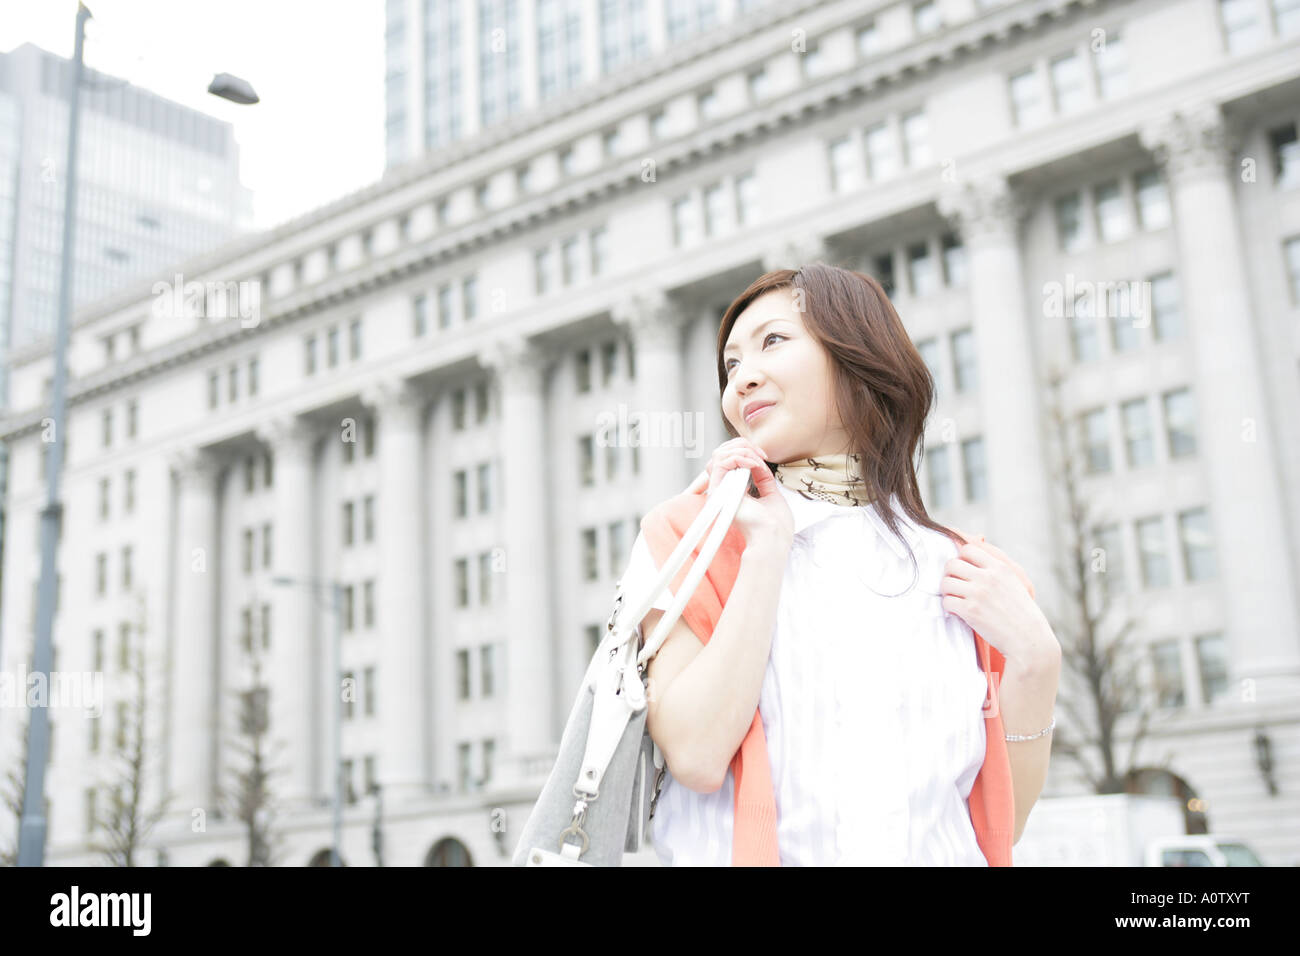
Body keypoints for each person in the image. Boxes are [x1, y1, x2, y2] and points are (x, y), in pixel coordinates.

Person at [617, 263, 1061, 866]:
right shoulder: (691, 538)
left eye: (772, 341)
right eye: (731, 365)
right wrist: (767, 551)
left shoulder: (970, 573)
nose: (743, 378)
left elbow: (1000, 826)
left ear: (857, 355)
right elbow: (696, 754)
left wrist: (1037, 663)